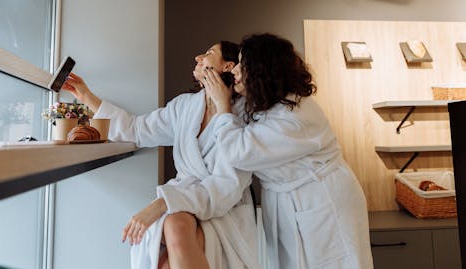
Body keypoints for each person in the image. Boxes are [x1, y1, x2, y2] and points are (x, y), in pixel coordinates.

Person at [62, 41, 260, 269]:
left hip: (224, 210)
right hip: (184, 201)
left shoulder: (245, 114)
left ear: (228, 66)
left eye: (208, 53)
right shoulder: (185, 107)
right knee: (168, 244)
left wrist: (161, 204)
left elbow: (228, 186)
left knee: (168, 246)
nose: (198, 57)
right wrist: (87, 96)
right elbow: (136, 130)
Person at [203, 33, 374, 269]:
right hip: (288, 202)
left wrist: (222, 106)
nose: (235, 70)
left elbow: (239, 153)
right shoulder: (269, 103)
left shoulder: (295, 116)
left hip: (322, 201)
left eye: (243, 64)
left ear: (262, 69)